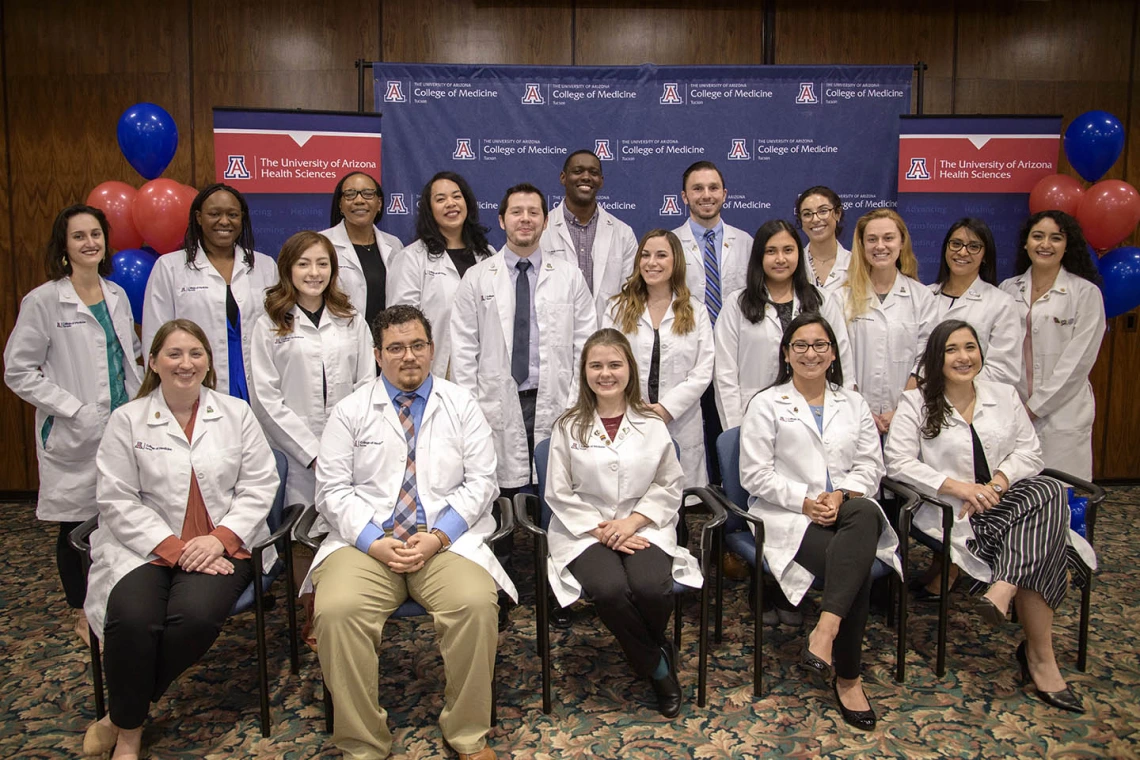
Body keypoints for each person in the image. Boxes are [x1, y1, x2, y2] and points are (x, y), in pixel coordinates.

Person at [307, 304, 516, 760]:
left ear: (432, 350)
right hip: (366, 544)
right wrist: (373, 542)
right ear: (378, 354)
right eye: (396, 347)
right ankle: (363, 743)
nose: (408, 356)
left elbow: (483, 481)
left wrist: (438, 536)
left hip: (443, 541)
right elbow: (331, 490)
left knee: (477, 605)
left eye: (417, 345)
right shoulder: (350, 410)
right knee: (337, 611)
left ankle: (467, 732)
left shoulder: (461, 405)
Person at [81, 319, 279, 760]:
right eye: (173, 354)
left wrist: (218, 539)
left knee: (192, 618)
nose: (185, 363)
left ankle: (121, 718)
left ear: (208, 362)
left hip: (222, 547)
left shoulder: (235, 413)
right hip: (145, 548)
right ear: (153, 362)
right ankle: (130, 735)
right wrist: (175, 549)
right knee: (132, 619)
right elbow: (115, 498)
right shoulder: (127, 420)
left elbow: (260, 485)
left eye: (195, 354)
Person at [884, 319, 1096, 713]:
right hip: (957, 512)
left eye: (969, 347)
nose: (963, 357)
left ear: (980, 353)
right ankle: (1040, 659)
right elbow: (896, 463)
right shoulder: (917, 402)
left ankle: (1005, 586)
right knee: (1046, 534)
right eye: (951, 349)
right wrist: (959, 487)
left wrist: (997, 484)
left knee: (1047, 487)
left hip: (1009, 501)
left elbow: (1030, 453)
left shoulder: (1003, 394)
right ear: (935, 358)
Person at [739, 312, 902, 730]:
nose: (811, 353)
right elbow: (754, 475)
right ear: (787, 354)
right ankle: (849, 679)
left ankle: (825, 630)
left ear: (832, 354)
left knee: (864, 509)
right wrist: (806, 501)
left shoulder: (854, 402)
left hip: (846, 508)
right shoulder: (765, 403)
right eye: (801, 346)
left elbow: (871, 464)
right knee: (857, 569)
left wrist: (841, 494)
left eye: (820, 345)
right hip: (788, 514)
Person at [545, 328, 702, 717]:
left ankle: (644, 649)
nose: (606, 373)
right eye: (596, 365)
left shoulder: (651, 424)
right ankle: (657, 664)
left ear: (629, 369)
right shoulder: (567, 425)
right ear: (584, 372)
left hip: (643, 522)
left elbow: (669, 483)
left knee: (652, 587)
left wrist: (631, 522)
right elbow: (558, 492)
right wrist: (602, 529)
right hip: (584, 530)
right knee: (609, 589)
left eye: (614, 364)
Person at [3, 204, 142, 644]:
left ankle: (116, 592)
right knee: (77, 521)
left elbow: (128, 356)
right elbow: (18, 370)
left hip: (122, 421)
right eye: (79, 236)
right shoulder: (44, 300)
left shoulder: (116, 294)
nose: (89, 243)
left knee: (119, 511)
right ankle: (81, 609)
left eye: (96, 235)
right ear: (63, 246)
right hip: (76, 427)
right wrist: (73, 408)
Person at [449, 183, 596, 493]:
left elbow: (585, 346)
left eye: (533, 212)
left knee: (555, 493)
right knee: (500, 495)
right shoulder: (476, 278)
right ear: (503, 220)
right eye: (516, 212)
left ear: (545, 221)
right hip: (496, 403)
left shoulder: (570, 277)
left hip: (555, 399)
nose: (525, 219)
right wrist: (472, 408)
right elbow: (463, 351)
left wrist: (575, 402)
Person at [250, 230, 375, 508]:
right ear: (288, 269)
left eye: (322, 263)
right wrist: (312, 453)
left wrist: (345, 445)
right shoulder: (268, 324)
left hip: (349, 448)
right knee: (300, 532)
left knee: (348, 526)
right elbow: (265, 398)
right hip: (295, 455)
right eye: (303, 263)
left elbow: (366, 385)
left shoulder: (351, 320)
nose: (314, 272)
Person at [714, 218, 853, 431]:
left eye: (788, 250)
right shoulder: (737, 304)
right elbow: (725, 373)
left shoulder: (821, 300)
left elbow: (842, 359)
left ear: (799, 253)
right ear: (759, 256)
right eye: (771, 251)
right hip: (755, 418)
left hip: (816, 414)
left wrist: (843, 415)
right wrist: (736, 429)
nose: (780, 259)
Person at [142, 183, 278, 401]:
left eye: (232, 214)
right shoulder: (170, 267)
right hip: (192, 381)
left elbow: (278, 330)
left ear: (241, 218)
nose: (224, 221)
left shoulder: (265, 266)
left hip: (255, 383)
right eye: (214, 214)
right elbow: (155, 337)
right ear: (198, 217)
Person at [999, 210, 1105, 481]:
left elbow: (1077, 363)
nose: (1045, 244)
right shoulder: (1008, 289)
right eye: (1038, 237)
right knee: (1018, 494)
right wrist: (1015, 407)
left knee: (1062, 492)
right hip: (1014, 408)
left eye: (1055, 238)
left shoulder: (1085, 293)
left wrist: (1034, 408)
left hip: (1062, 412)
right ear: (1026, 243)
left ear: (1067, 245)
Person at [601, 229, 713, 487]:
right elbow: (607, 362)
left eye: (661, 255)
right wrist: (632, 402)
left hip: (680, 421)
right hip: (628, 414)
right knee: (632, 493)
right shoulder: (617, 309)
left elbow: (703, 370)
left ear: (676, 262)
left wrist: (666, 409)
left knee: (679, 501)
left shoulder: (695, 310)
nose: (652, 263)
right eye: (646, 255)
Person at [671, 161, 754, 482]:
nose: (706, 195)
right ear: (684, 196)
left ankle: (730, 494)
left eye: (713, 188)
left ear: (725, 194)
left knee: (730, 432)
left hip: (735, 357)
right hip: (688, 357)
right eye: (697, 189)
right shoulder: (670, 245)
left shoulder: (745, 243)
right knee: (691, 432)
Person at [835, 208, 938, 435]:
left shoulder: (922, 298)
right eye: (872, 239)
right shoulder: (840, 298)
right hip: (852, 414)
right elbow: (838, 360)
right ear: (861, 246)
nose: (880, 246)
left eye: (888, 238)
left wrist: (901, 409)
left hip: (908, 415)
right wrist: (861, 410)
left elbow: (926, 359)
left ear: (902, 242)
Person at [386, 171, 494, 376]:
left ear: (467, 202)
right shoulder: (411, 258)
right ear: (429, 210)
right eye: (440, 199)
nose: (451, 203)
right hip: (437, 366)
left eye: (456, 196)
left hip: (484, 366)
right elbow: (401, 324)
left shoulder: (488, 255)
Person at [540, 150, 638, 320]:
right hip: (556, 335)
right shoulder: (541, 231)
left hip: (607, 335)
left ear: (601, 181)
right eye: (578, 171)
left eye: (593, 173)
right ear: (563, 177)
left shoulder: (623, 233)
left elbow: (630, 293)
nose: (586, 177)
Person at [929, 218, 1023, 386]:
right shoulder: (925, 296)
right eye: (956, 244)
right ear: (946, 249)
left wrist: (954, 390)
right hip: (925, 398)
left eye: (973, 247)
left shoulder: (1001, 303)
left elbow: (1004, 370)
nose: (963, 252)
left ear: (985, 255)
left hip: (975, 401)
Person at [320, 171, 404, 325]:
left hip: (387, 340)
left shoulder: (394, 245)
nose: (359, 200)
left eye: (368, 194)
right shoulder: (321, 244)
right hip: (339, 339)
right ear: (340, 204)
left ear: (379, 204)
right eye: (350, 194)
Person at [795, 185, 850, 294]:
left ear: (837, 214)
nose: (815, 219)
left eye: (823, 211)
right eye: (807, 214)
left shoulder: (855, 264)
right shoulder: (793, 264)